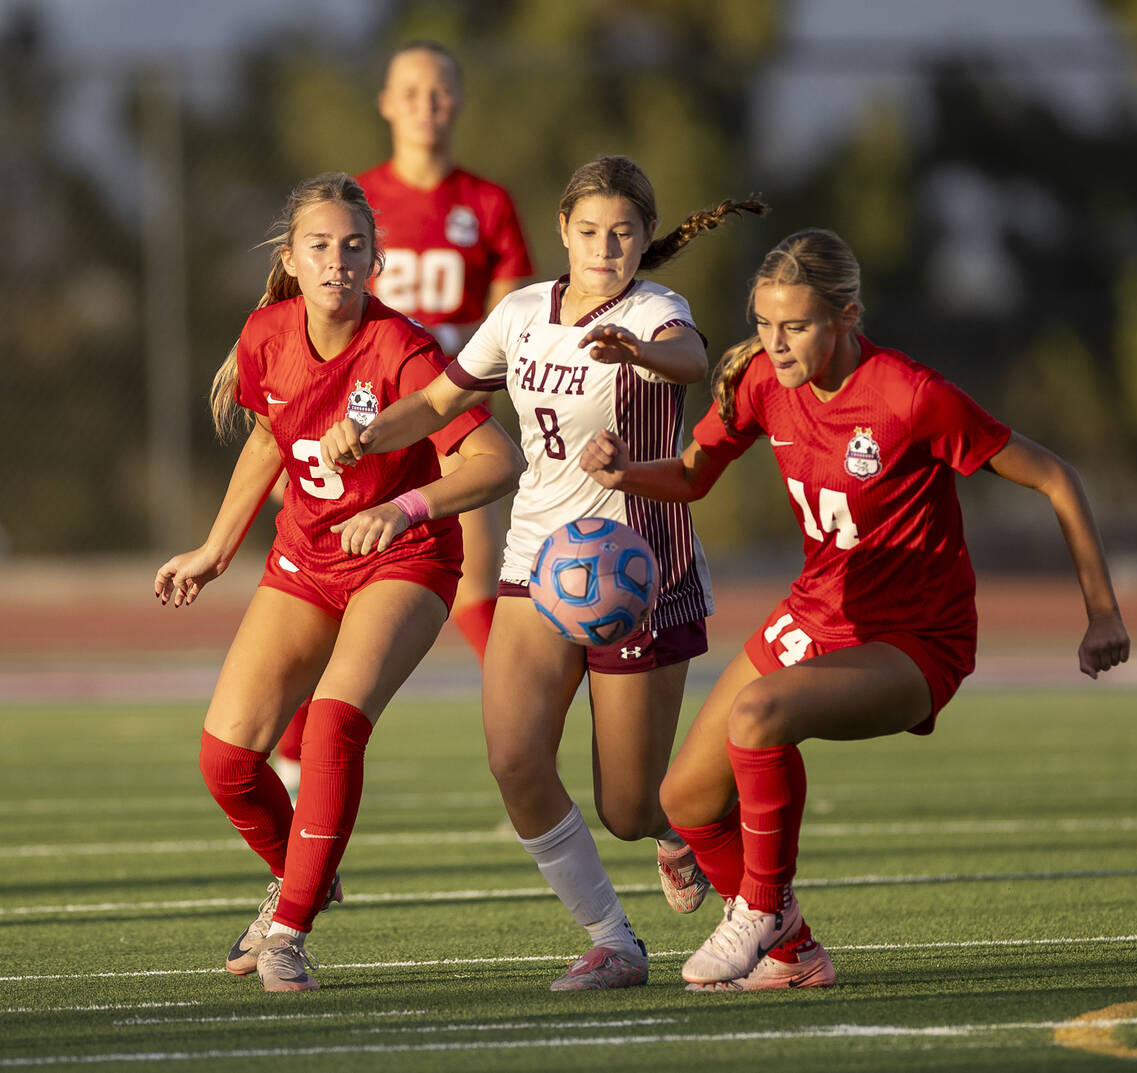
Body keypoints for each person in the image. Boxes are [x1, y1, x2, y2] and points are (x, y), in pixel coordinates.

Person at [580, 228, 1131, 992]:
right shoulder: (765, 384)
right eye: (765, 324)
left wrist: (1102, 612)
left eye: (795, 326)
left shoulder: (911, 395)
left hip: (915, 638)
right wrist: (624, 473)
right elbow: (691, 475)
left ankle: (762, 908)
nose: (774, 343)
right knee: (685, 799)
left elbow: (1058, 478)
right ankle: (793, 951)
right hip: (818, 613)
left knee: (759, 714)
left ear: (846, 316)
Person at [320, 155, 767, 990]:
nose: (606, 247)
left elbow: (690, 362)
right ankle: (614, 942)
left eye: (624, 233)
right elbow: (443, 400)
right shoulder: (523, 310)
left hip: (640, 572)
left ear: (643, 239)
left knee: (631, 807)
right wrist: (373, 433)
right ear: (563, 231)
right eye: (590, 231)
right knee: (514, 759)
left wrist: (637, 346)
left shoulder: (657, 309)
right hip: (536, 565)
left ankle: (711, 848)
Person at [154, 172, 524, 993]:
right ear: (292, 258)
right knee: (226, 762)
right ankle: (308, 873)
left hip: (405, 559)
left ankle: (287, 929)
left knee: (329, 727)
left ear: (374, 261)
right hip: (307, 556)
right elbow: (265, 440)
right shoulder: (266, 333)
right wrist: (217, 548)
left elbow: (497, 459)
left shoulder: (405, 349)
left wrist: (406, 508)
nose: (338, 261)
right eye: (320, 246)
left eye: (355, 247)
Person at [270, 40, 535, 800]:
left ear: (459, 101)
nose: (426, 103)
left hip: (446, 423)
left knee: (476, 588)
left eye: (441, 90)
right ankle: (294, 755)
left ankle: (523, 751)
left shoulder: (486, 204)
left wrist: (458, 400)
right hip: (349, 424)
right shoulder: (359, 208)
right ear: (386, 103)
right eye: (410, 90)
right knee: (326, 584)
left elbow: (511, 318)